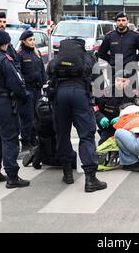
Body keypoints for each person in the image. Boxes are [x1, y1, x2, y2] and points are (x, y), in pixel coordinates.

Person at [48, 37, 107, 192]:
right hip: (80, 95)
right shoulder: (88, 57)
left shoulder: (56, 60)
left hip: (60, 96)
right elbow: (100, 83)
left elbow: (48, 76)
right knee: (86, 135)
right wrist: (98, 106)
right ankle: (90, 179)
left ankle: (67, 172)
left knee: (62, 134)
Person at [0, 29, 30, 188]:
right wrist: (25, 97)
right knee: (10, 139)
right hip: (3, 102)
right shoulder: (5, 60)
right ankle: (12, 176)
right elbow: (16, 83)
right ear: (5, 43)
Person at [98, 12, 139, 90]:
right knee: (115, 97)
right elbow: (101, 53)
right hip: (115, 71)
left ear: (127, 21)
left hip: (130, 71)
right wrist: (112, 60)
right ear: (116, 22)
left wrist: (133, 60)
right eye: (119, 20)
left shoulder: (135, 36)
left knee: (133, 96)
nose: (121, 22)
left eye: (123, 20)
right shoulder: (109, 36)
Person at [16, 30, 47, 157]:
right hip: (27, 91)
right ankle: (26, 143)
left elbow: (42, 71)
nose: (33, 42)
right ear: (23, 41)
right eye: (30, 40)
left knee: (37, 117)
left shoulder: (37, 53)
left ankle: (34, 141)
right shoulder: (20, 54)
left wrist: (45, 85)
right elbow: (19, 74)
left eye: (33, 39)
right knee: (26, 118)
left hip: (37, 90)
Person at [94, 69, 139, 146]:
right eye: (118, 80)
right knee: (102, 147)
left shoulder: (133, 94)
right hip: (109, 127)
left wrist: (122, 119)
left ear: (129, 82)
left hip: (127, 127)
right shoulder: (106, 92)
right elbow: (94, 106)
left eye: (123, 81)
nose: (120, 83)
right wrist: (100, 117)